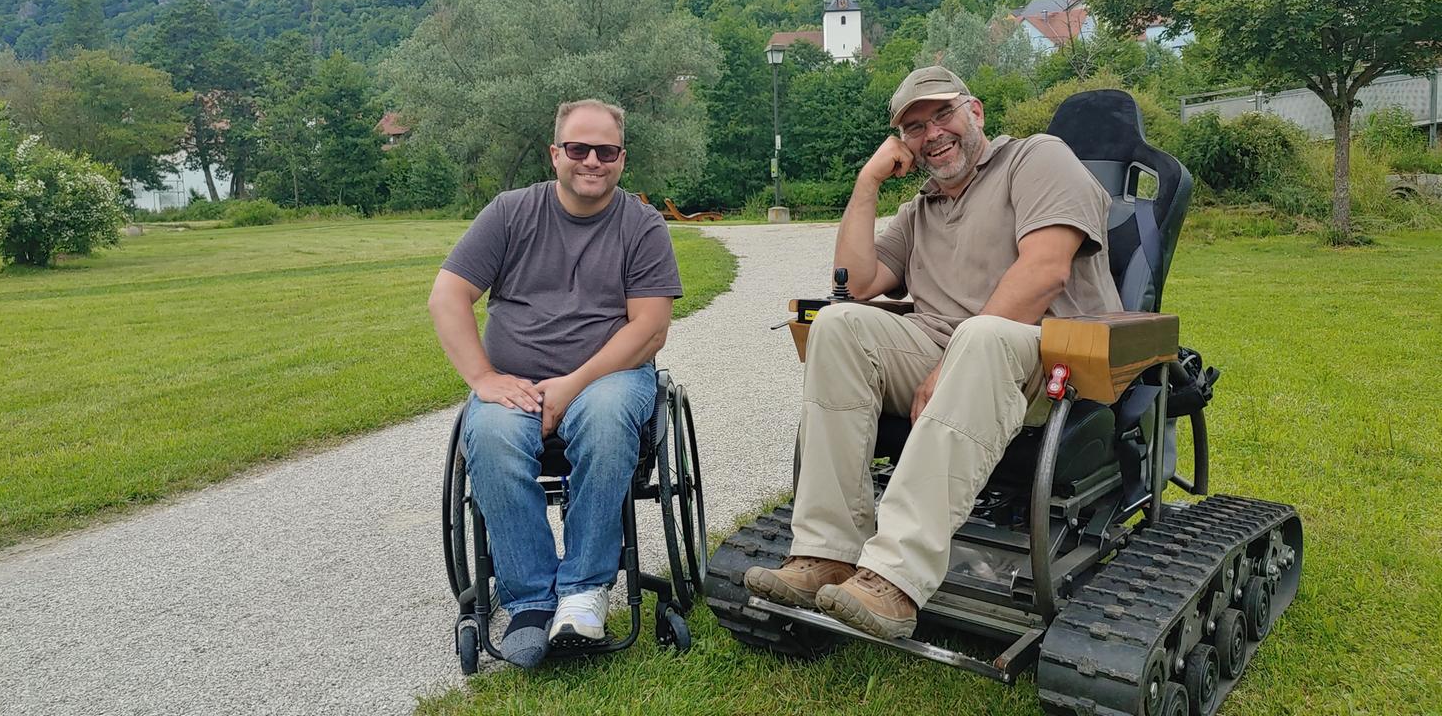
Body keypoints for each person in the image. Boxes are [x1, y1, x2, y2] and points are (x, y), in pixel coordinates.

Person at [744, 66, 1122, 640]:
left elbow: (1045, 271)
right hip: (947, 351)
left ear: (976, 112)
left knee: (981, 335)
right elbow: (856, 281)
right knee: (838, 323)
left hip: (1050, 360)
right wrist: (868, 180)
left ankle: (895, 576)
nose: (932, 133)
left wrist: (945, 369)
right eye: (914, 127)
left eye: (942, 114)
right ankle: (827, 551)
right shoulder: (921, 209)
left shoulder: (1037, 159)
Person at [429, 99, 682, 667]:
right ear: (555, 153)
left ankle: (584, 590)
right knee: (488, 432)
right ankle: (531, 601)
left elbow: (649, 329)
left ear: (622, 159)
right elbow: (448, 296)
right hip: (514, 383)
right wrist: (483, 377)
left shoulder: (642, 226)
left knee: (607, 414)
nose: (591, 160)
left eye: (606, 151)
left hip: (610, 377)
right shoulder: (510, 213)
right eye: (578, 148)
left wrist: (570, 386)